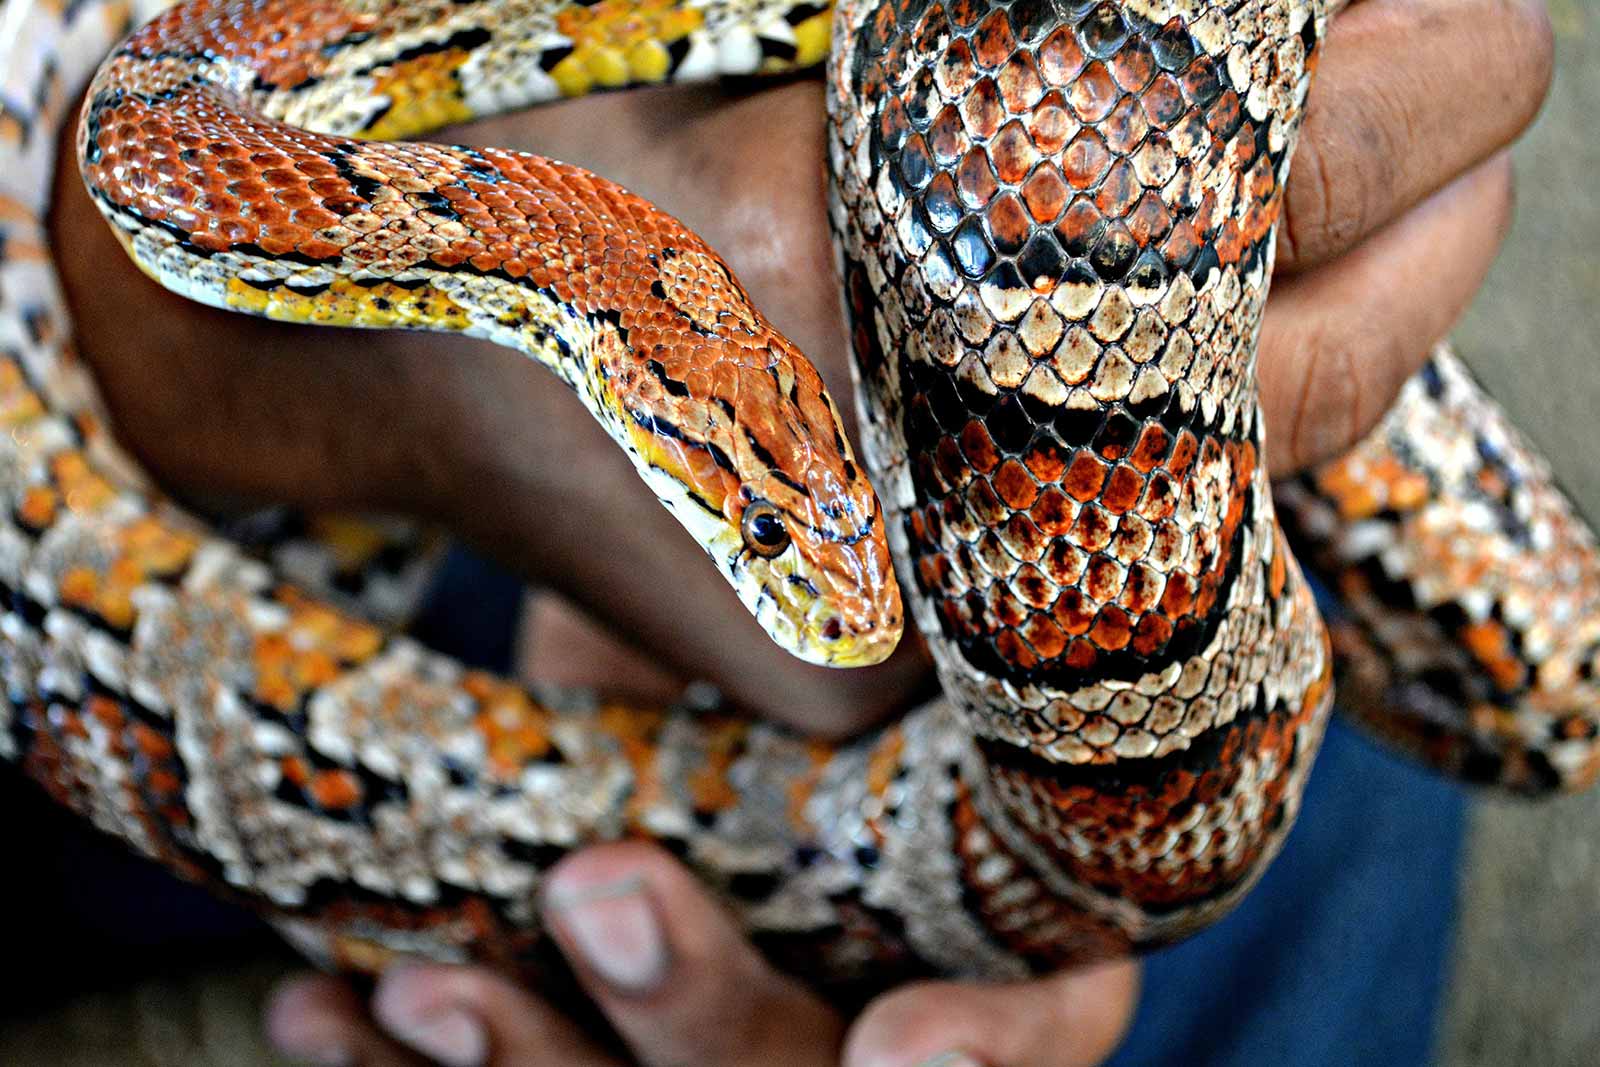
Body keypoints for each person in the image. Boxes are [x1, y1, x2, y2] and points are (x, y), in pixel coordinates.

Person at [37, 0, 1555, 1062]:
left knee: (1300, 756)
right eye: (767, 531)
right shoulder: (472, 265)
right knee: (1192, 778)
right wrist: (397, 414)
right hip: (154, 423)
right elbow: (176, 148)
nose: (846, 591)